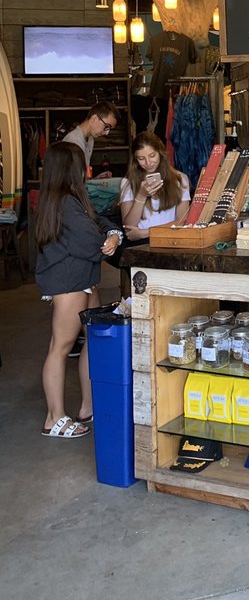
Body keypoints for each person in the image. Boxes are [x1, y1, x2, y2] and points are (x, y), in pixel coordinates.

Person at [35, 142, 123, 438]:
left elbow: (100, 221)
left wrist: (113, 233)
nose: (86, 169)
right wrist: (109, 239)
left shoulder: (69, 198)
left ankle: (88, 406)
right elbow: (90, 241)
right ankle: (54, 418)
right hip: (69, 281)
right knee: (60, 347)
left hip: (81, 279)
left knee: (91, 341)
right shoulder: (64, 203)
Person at [119, 131, 190, 243]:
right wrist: (141, 196)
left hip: (170, 240)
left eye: (152, 156)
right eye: (141, 158)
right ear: (135, 160)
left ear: (160, 153)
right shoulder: (128, 182)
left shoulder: (180, 179)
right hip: (139, 244)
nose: (148, 163)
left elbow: (182, 222)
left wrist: (145, 233)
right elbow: (129, 228)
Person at [63, 101, 120, 179]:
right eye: (107, 126)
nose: (107, 133)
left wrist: (96, 179)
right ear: (94, 119)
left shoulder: (90, 139)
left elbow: (81, 178)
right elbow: (70, 182)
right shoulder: (74, 141)